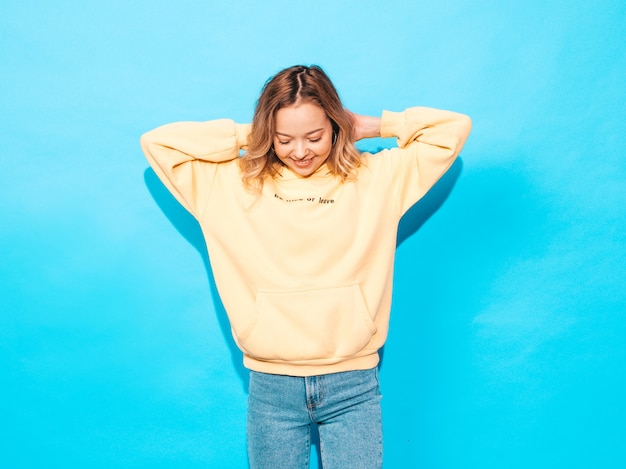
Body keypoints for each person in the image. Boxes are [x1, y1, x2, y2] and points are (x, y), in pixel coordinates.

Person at [140, 65, 471, 468]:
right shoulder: (229, 186)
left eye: (314, 136)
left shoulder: (376, 179)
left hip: (354, 385)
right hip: (271, 388)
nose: (300, 151)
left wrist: (370, 125)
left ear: (334, 126)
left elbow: (452, 130)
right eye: (284, 139)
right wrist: (256, 132)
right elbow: (157, 144)